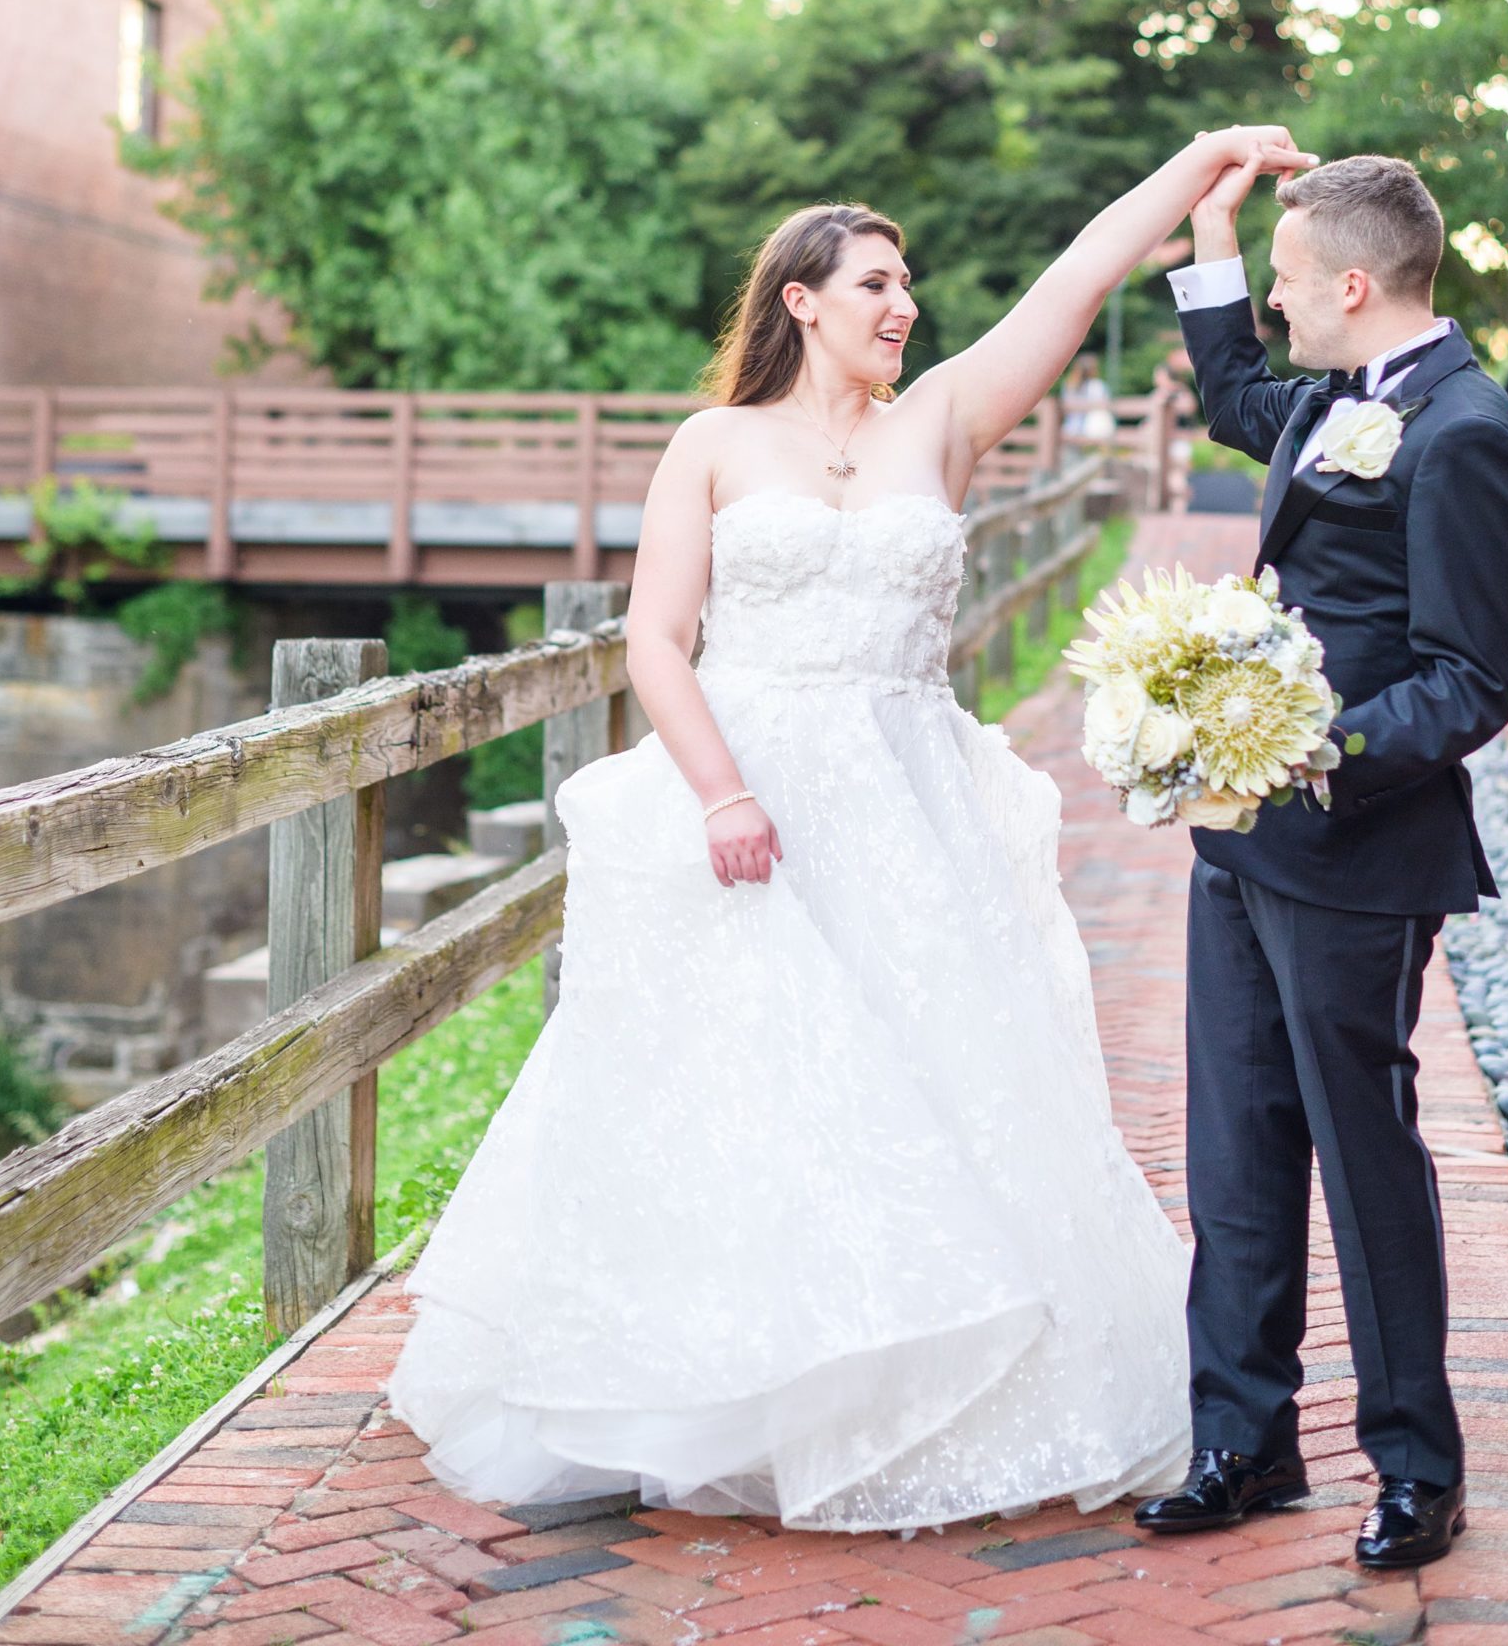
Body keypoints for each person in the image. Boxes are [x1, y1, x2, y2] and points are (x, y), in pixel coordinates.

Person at [387, 123, 1313, 1533]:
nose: (903, 304)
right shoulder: (713, 444)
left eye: (909, 283)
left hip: (906, 805)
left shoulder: (937, 420)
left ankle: (908, 1402)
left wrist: (1196, 173)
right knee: (737, 1097)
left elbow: (1074, 283)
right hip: (749, 794)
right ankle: (700, 1389)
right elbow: (654, 641)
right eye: (875, 283)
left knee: (931, 1092)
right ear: (801, 303)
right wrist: (722, 794)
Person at [1138, 154, 1508, 1572]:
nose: (1280, 305)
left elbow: (1463, 684)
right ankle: (1244, 1442)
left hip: (1359, 851)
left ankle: (1418, 1469)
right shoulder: (1327, 398)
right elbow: (1241, 393)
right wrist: (1215, 241)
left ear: (1355, 288)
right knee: (1237, 1150)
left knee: (1363, 1158)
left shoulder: (1467, 432)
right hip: (1239, 844)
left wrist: (1305, 753)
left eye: (1294, 283)